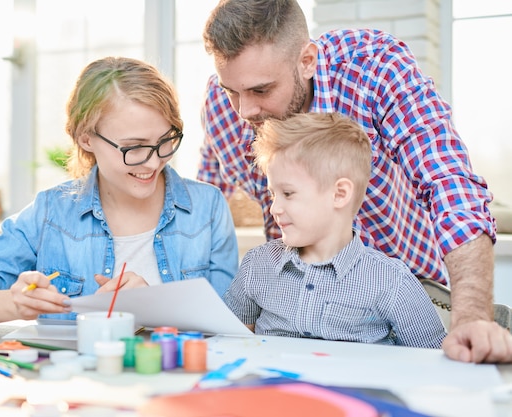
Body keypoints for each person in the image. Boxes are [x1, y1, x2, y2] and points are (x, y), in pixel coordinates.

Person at [200, 0, 512, 362]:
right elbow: (209, 202)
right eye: (231, 90)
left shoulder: (374, 67)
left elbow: (449, 183)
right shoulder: (221, 104)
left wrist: (471, 316)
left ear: (307, 61)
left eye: (261, 90)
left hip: (411, 293)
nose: (244, 111)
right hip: (296, 314)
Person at [0, 57, 239, 334]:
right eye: (134, 147)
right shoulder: (51, 213)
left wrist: (153, 307)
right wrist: (15, 303)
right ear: (86, 138)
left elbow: (231, 323)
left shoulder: (207, 208)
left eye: (166, 140)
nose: (153, 161)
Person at [224, 113, 447, 348]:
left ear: (339, 194)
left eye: (288, 194)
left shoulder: (391, 281)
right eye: (272, 194)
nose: (274, 208)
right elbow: (230, 342)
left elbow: (433, 361)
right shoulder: (258, 265)